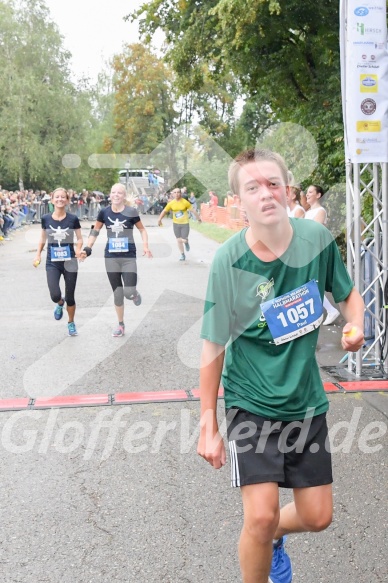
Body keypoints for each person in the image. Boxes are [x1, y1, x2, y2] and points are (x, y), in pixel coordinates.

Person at [197, 148, 364, 583]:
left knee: (318, 516)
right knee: (259, 515)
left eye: (273, 183)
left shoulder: (316, 241)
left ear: (287, 190)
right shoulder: (229, 262)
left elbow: (346, 294)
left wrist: (356, 323)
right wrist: (208, 424)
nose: (265, 194)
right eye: (253, 187)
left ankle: (273, 538)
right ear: (239, 201)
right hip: (250, 401)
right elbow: (212, 345)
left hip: (304, 401)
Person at [80, 183, 152, 337]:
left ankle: (134, 294)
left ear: (124, 196)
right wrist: (88, 248)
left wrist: (145, 246)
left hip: (128, 257)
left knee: (128, 291)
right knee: (118, 293)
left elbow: (142, 230)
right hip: (111, 257)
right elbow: (95, 230)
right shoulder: (104, 212)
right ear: (110, 195)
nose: (116, 195)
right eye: (114, 192)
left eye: (119, 193)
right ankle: (120, 324)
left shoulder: (131, 212)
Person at [33, 187, 83, 336]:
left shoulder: (73, 219)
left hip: (70, 261)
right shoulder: (46, 218)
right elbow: (43, 238)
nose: (60, 199)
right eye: (57, 197)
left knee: (70, 296)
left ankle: (71, 322)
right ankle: (60, 304)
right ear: (52, 199)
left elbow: (79, 238)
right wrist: (38, 255)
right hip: (52, 261)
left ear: (67, 200)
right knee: (55, 295)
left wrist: (78, 250)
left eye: (63, 197)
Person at [305, 184, 340, 325]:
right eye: (307, 192)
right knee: (307, 283)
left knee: (311, 283)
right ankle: (322, 311)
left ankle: (330, 310)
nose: (307, 194)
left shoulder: (320, 211)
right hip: (306, 250)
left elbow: (313, 230)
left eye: (310, 192)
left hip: (315, 250)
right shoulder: (308, 212)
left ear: (318, 195)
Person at [157, 187, 201, 261]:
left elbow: (193, 211)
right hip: (176, 224)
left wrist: (199, 219)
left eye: (178, 192)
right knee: (178, 240)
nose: (177, 194)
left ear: (181, 193)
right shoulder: (171, 203)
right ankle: (182, 254)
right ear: (173, 194)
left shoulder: (185, 202)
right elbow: (164, 211)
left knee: (183, 240)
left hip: (185, 224)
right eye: (175, 192)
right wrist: (159, 219)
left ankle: (186, 243)